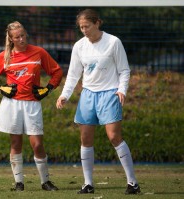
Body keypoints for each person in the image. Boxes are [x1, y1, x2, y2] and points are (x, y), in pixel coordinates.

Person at [56, 9, 140, 195]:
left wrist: (121, 90)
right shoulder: (79, 46)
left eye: (87, 26)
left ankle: (133, 183)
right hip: (88, 95)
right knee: (85, 139)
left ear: (97, 23)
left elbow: (124, 70)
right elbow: (73, 74)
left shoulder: (113, 42)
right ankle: (88, 184)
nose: (84, 30)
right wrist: (64, 95)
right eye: (81, 27)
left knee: (114, 137)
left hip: (110, 94)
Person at [0, 21, 63, 191]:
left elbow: (57, 72)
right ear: (11, 39)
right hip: (12, 105)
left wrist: (48, 89)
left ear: (26, 34)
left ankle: (45, 182)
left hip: (32, 104)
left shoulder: (39, 52)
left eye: (23, 35)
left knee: (37, 144)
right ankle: (19, 183)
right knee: (15, 143)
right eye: (17, 37)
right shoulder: (4, 56)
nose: (21, 39)